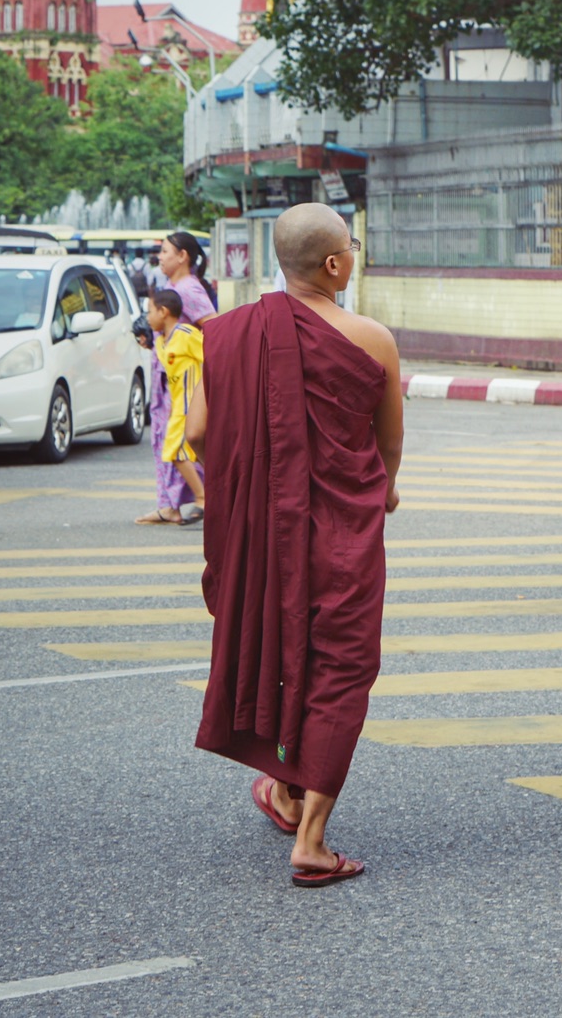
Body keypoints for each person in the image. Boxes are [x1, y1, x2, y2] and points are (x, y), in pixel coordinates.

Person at [193, 202, 403, 887]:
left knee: (276, 647)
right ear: (336, 265)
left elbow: (197, 436)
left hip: (264, 528)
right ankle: (311, 838)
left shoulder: (224, 335)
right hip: (342, 530)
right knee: (340, 669)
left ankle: (284, 790)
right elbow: (387, 441)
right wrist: (384, 489)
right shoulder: (373, 339)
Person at [136, 231, 217, 525]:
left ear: (183, 256)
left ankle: (204, 498)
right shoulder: (170, 286)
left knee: (181, 443)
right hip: (167, 380)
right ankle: (170, 505)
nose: (160, 257)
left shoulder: (189, 290)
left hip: (185, 386)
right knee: (164, 442)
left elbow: (214, 330)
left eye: (166, 251)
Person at [146, 288, 207, 516]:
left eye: (150, 311)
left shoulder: (186, 334)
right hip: (177, 408)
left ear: (164, 311)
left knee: (175, 453)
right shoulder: (162, 342)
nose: (148, 317)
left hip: (189, 407)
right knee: (190, 454)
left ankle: (203, 497)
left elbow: (211, 353)